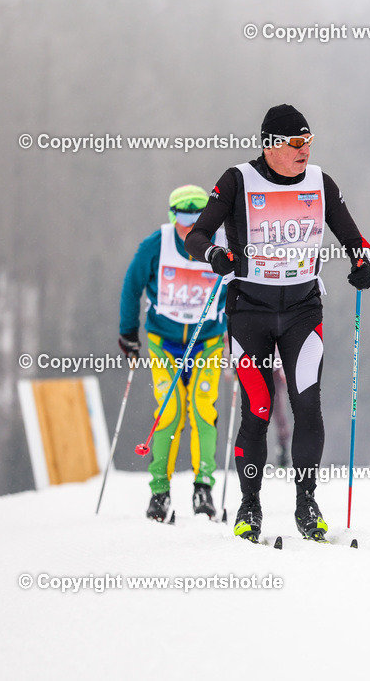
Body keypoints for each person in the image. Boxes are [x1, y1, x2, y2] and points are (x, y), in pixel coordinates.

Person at [185, 104, 370, 542]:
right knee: (259, 407)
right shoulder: (237, 181)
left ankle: (306, 502)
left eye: (308, 141)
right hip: (249, 311)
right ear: (270, 145)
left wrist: (360, 259)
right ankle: (250, 506)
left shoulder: (320, 182)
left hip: (303, 311)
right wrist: (214, 255)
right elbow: (196, 235)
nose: (304, 150)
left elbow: (351, 234)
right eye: (295, 143)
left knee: (307, 406)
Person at [119, 185, 228, 521]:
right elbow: (132, 284)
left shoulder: (222, 245)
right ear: (172, 215)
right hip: (164, 343)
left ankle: (203, 488)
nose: (190, 222)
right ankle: (160, 492)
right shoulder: (158, 244)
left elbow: (241, 289)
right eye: (183, 214)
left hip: (207, 342)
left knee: (202, 407)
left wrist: (242, 337)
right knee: (170, 411)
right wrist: (128, 332)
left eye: (198, 214)